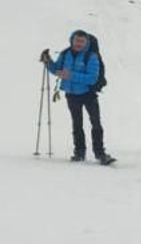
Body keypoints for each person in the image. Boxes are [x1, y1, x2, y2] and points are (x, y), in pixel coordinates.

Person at [41, 29, 115, 165]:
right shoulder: (65, 54)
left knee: (96, 123)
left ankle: (100, 153)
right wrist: (48, 62)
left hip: (88, 94)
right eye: (76, 41)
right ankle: (79, 152)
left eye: (82, 41)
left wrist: (71, 75)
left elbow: (92, 79)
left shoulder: (91, 56)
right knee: (77, 124)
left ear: (86, 42)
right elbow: (57, 69)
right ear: (72, 40)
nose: (79, 44)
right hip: (71, 94)